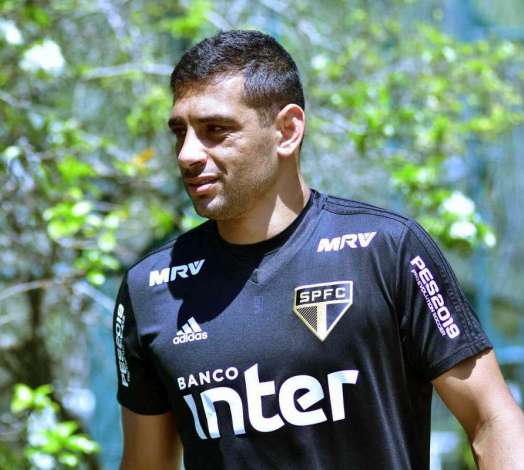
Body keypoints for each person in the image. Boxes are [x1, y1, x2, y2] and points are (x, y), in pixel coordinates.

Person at [112, 30, 524, 469]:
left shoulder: (386, 251)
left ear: (287, 131)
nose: (187, 154)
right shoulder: (150, 289)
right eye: (180, 132)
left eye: (216, 130)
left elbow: (493, 419)